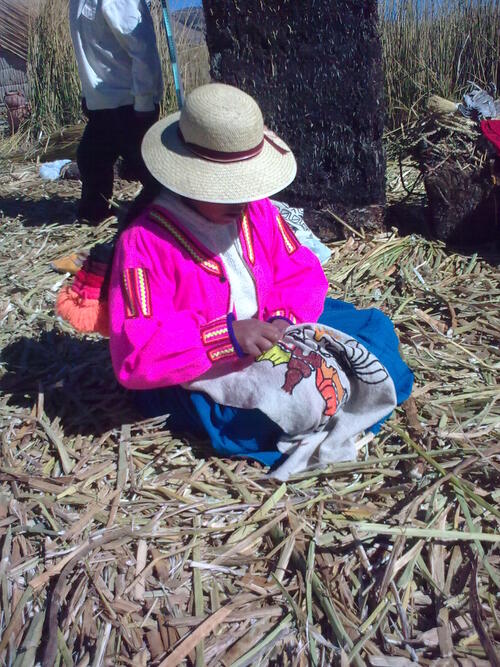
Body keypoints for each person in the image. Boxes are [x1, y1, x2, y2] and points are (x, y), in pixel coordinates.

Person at [107, 83, 413, 466]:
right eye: (226, 189)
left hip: (270, 328)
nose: (242, 200)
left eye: (246, 185)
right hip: (197, 361)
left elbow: (300, 271)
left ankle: (328, 406)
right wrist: (227, 336)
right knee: (273, 410)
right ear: (187, 177)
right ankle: (327, 411)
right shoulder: (145, 244)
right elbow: (137, 351)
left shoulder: (257, 212)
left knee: (375, 330)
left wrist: (284, 319)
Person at [69, 0, 163, 224]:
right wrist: (88, 97)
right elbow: (89, 52)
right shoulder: (76, 2)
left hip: (129, 103)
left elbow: (142, 49)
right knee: (91, 158)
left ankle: (167, 217)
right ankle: (95, 215)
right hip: (104, 102)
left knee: (144, 165)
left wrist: (144, 103)